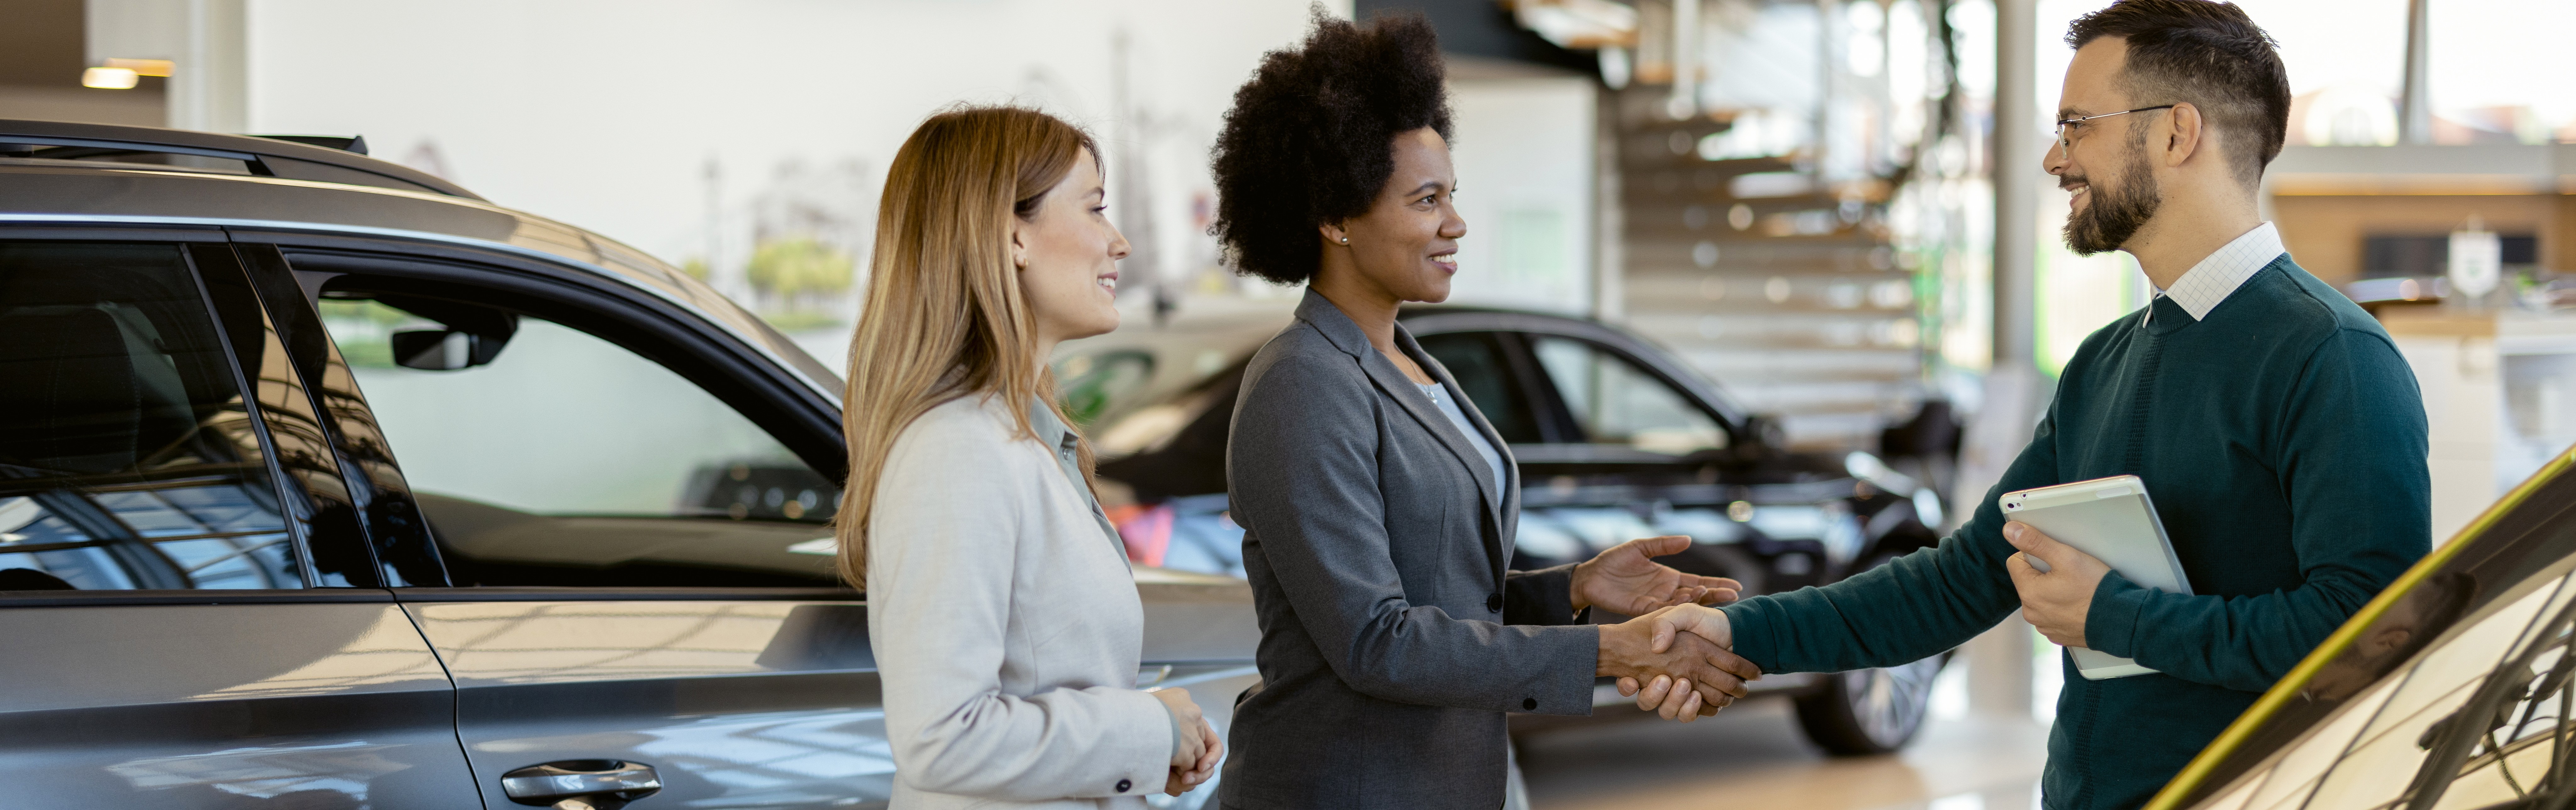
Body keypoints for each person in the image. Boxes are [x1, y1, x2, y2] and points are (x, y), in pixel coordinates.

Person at [1629, 2, 2431, 808]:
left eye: (2077, 125)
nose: (2055, 158)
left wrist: (2116, 616)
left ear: (2176, 134)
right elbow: (1966, 578)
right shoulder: (2102, 361)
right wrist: (1737, 634)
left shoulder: (2334, 358)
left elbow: (2370, 633)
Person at [1209, 12, 1761, 810]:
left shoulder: (1410, 360)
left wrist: (1572, 586)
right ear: (1333, 217)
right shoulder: (1303, 384)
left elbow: (1441, 592)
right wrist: (1607, 652)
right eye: (1425, 199)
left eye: (1452, 195)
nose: (1455, 223)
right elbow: (1377, 640)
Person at [846, 106, 1222, 809]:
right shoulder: (957, 450)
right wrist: (1146, 728)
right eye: (1095, 208)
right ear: (1011, 234)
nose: (1120, 242)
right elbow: (943, 736)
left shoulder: (1019, 441)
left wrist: (1146, 748)